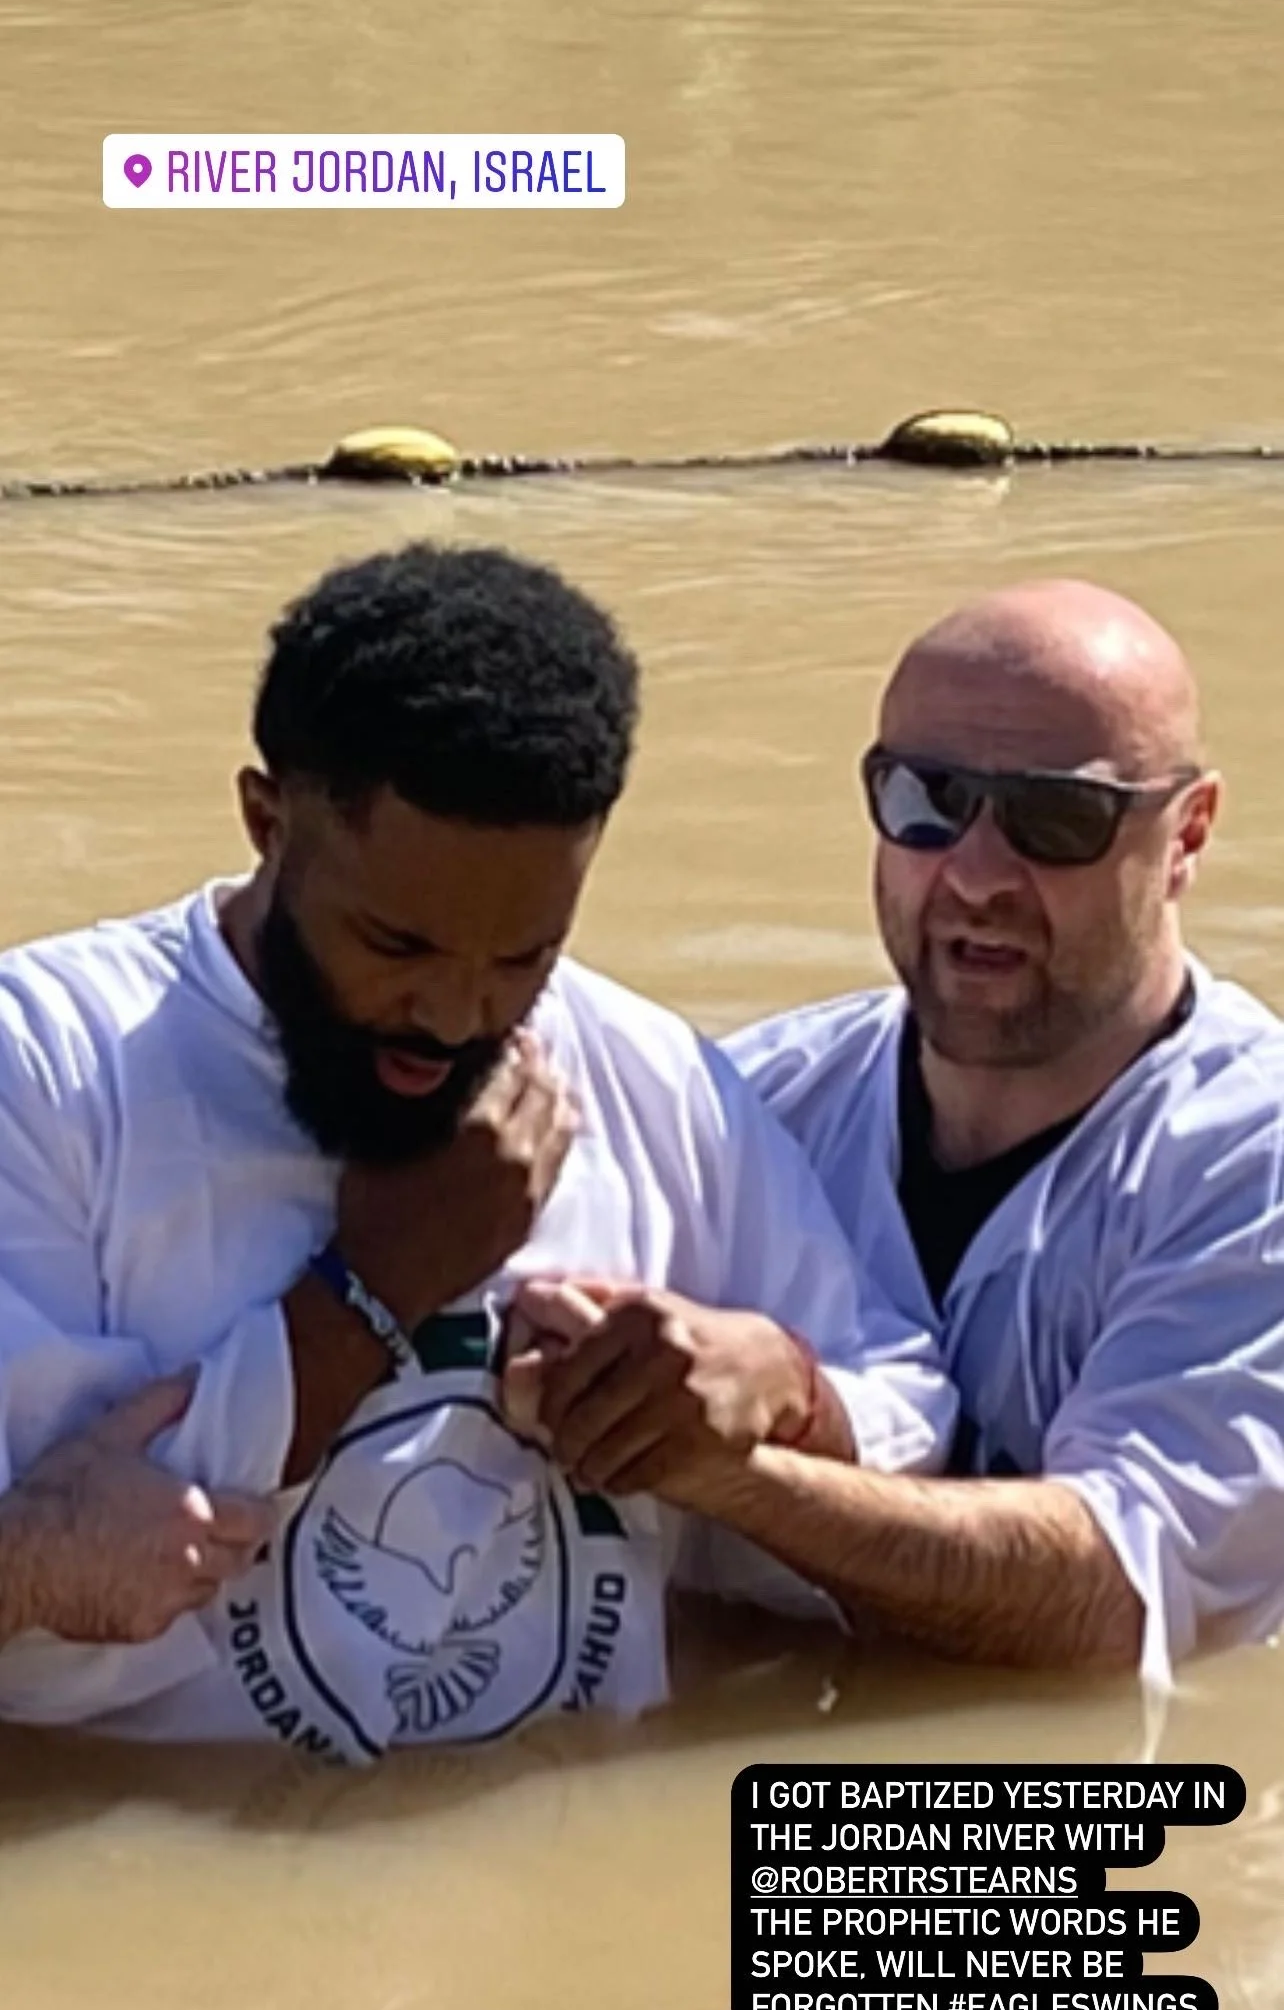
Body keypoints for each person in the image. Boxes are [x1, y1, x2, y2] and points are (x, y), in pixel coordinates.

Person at [0, 542, 949, 1759]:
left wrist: (785, 1390)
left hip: (574, 1845)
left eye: (523, 956)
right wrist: (376, 1284)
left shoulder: (643, 1073)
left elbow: (912, 1410)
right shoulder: (47, 1067)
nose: (455, 1017)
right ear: (267, 822)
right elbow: (53, 1553)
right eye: (396, 945)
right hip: (152, 1834)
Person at [524, 579, 1284, 1688]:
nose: (976, 876)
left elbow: (1113, 1610)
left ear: (1189, 834)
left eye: (1056, 820)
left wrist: (729, 1472)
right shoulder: (744, 1105)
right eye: (928, 800)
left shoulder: (1250, 1161)